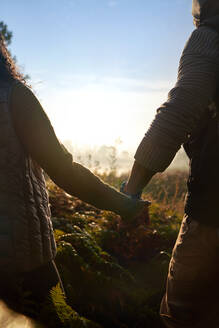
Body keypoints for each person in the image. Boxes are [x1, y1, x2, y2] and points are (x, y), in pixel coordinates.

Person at [0, 35, 150, 317]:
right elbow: (64, 171)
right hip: (27, 264)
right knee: (59, 317)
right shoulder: (13, 98)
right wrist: (125, 205)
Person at [122, 0, 219, 326]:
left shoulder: (211, 34)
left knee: (183, 315)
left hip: (213, 215)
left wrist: (130, 193)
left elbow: (178, 114)